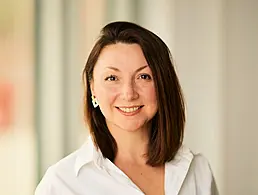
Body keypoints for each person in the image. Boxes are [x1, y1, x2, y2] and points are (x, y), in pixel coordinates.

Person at [35, 21, 219, 195]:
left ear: (163, 85)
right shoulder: (61, 184)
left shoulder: (198, 171)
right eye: (112, 78)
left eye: (144, 77)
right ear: (93, 88)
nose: (129, 94)